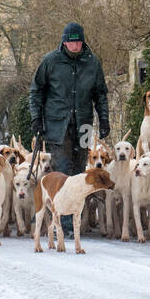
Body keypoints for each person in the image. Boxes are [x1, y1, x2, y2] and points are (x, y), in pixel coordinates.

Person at [29, 22, 110, 234]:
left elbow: (100, 94)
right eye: (71, 41)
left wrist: (104, 120)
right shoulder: (51, 61)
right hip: (57, 125)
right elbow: (36, 91)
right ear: (64, 41)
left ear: (83, 41)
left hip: (83, 125)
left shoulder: (92, 63)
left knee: (80, 171)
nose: (74, 45)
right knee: (62, 170)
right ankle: (61, 225)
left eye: (78, 41)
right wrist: (36, 118)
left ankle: (74, 221)